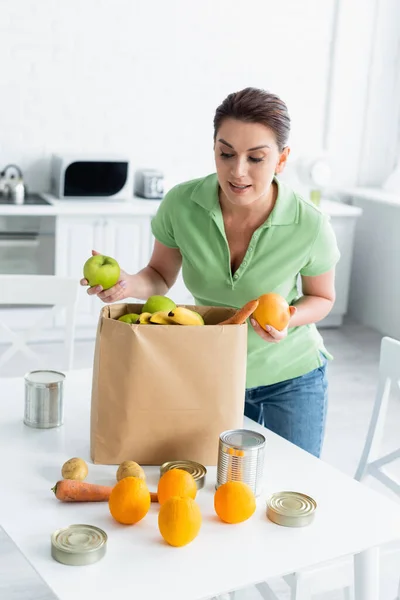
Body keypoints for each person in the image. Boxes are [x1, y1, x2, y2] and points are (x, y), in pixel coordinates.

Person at [81, 87, 340, 458]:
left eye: (256, 158)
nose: (238, 171)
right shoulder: (182, 205)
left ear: (281, 160)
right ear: (214, 149)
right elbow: (158, 275)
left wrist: (289, 317)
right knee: (216, 480)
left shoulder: (309, 224)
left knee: (290, 483)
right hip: (212, 369)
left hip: (292, 379)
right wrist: (126, 284)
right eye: (226, 153)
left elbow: (323, 297)